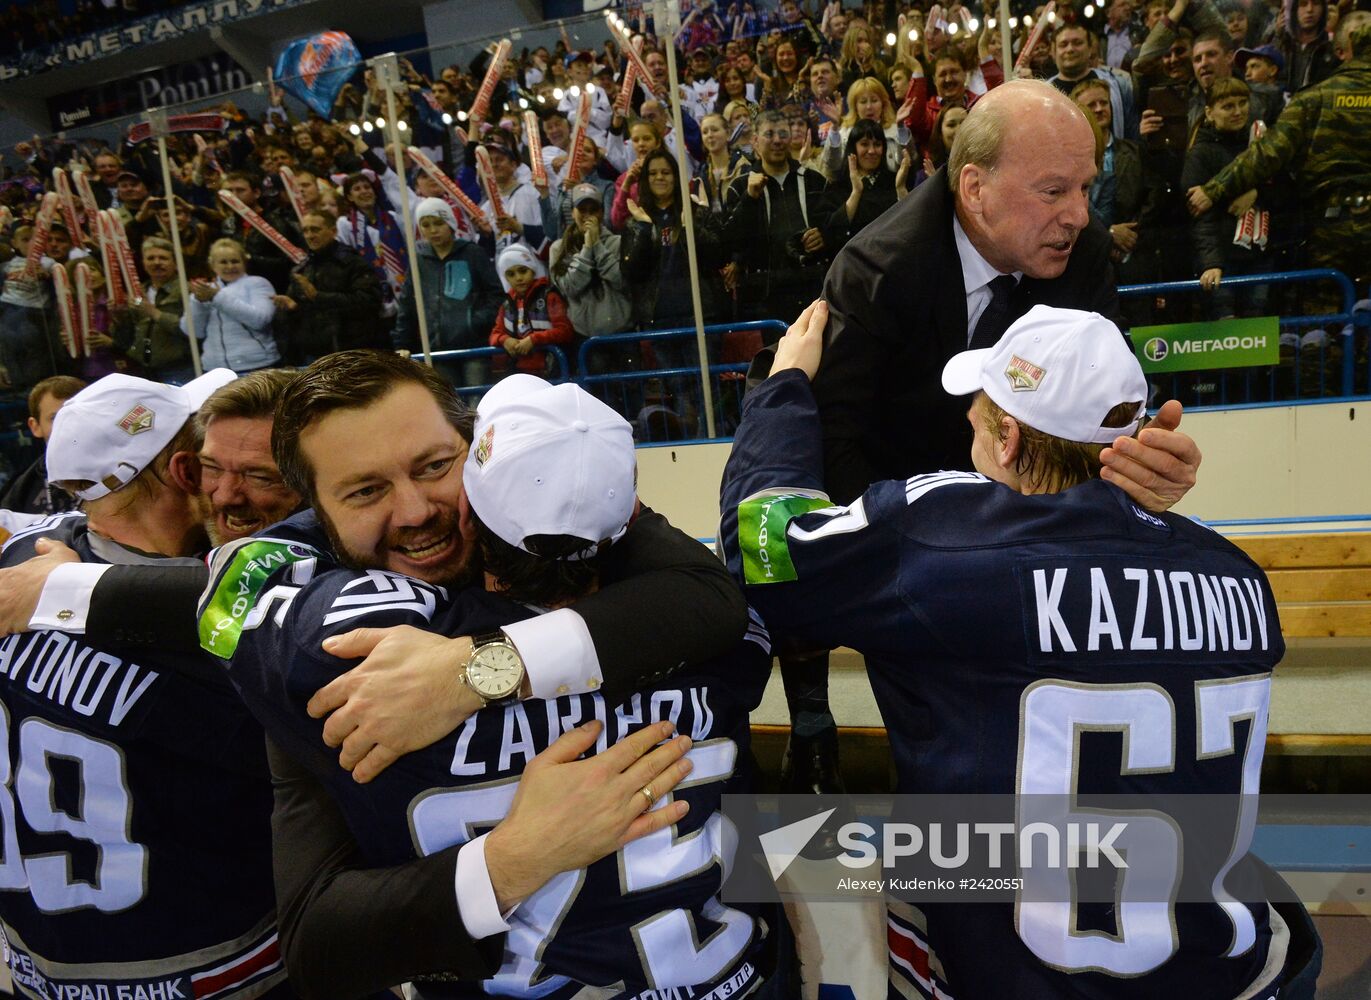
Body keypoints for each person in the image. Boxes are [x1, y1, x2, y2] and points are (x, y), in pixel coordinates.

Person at [719, 299, 1319, 1000]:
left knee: (835, 879)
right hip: (1223, 971)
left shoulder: (943, 538)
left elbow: (761, 545)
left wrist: (780, 390)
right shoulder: (1235, 574)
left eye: (975, 420)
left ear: (1007, 439)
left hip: (1010, 973)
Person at [211, 373, 776, 998]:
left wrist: (477, 671)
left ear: (477, 448)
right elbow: (319, 940)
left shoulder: (337, 660)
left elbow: (319, 950)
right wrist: (513, 859)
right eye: (366, 490)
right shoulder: (708, 628)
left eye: (434, 467)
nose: (416, 510)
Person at [0, 367, 300, 999]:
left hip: (37, 966)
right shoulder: (219, 638)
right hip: (213, 968)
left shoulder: (22, 563)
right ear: (185, 471)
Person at [814, 79, 1200, 510]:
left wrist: (1141, 453)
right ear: (976, 189)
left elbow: (1105, 398)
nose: (1079, 215)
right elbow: (832, 437)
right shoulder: (876, 270)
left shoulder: (1084, 250)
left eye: (1085, 188)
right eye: (1053, 191)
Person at [1188, 18, 1371, 292]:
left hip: (1330, 228)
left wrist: (1213, 189)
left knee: (1325, 321)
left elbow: (1268, 153)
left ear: (1344, 49)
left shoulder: (1315, 97)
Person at [395, 197, 502, 390]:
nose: (433, 230)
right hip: (436, 350)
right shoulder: (419, 261)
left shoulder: (473, 253)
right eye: (426, 225)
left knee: (476, 405)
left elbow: (496, 296)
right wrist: (402, 344)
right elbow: (407, 305)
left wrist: (474, 322)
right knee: (449, 409)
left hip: (473, 348)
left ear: (451, 224)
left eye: (438, 223)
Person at [272, 210, 386, 365]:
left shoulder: (352, 263)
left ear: (333, 231)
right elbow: (302, 309)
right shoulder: (302, 268)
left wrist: (319, 297)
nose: (310, 235)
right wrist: (292, 307)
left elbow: (370, 301)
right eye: (305, 230)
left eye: (315, 229)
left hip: (351, 352)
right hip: (314, 354)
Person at [548, 182, 635, 370]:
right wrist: (588, 248)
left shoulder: (618, 243)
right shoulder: (558, 249)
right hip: (586, 339)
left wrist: (597, 246)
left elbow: (623, 281)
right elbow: (570, 286)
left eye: (593, 209)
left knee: (632, 394)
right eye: (582, 209)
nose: (588, 215)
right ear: (572, 212)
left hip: (623, 335)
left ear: (602, 212)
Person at [183, 238, 280, 374]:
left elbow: (260, 320)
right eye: (223, 262)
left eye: (235, 261)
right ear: (213, 265)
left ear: (244, 263)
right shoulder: (204, 290)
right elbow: (193, 332)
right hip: (214, 369)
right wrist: (198, 303)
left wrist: (217, 297)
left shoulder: (258, 283)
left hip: (256, 366)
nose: (230, 267)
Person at [109, 236, 194, 383]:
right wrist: (119, 318)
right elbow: (123, 339)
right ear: (143, 263)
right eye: (151, 258)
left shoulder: (187, 290)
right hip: (143, 370)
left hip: (179, 368)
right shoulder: (136, 291)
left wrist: (153, 313)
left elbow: (192, 329)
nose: (156, 262)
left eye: (163, 258)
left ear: (175, 262)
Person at [818, 118, 910, 254]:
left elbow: (909, 226)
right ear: (853, 147)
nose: (872, 151)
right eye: (864, 144)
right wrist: (856, 192)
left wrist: (901, 189)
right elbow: (831, 232)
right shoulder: (838, 184)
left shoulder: (896, 181)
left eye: (877, 144)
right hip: (851, 262)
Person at [0, 375, 84, 516]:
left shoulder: (126, 471)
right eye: (55, 418)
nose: (68, 425)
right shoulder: (22, 490)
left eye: (76, 415)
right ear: (35, 427)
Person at [489, 244, 574, 378]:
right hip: (520, 375)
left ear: (533, 270)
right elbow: (495, 334)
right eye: (511, 274)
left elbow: (565, 330)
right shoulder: (507, 304)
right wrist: (504, 340)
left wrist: (534, 339)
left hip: (552, 372)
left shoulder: (549, 296)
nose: (518, 278)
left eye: (523, 271)